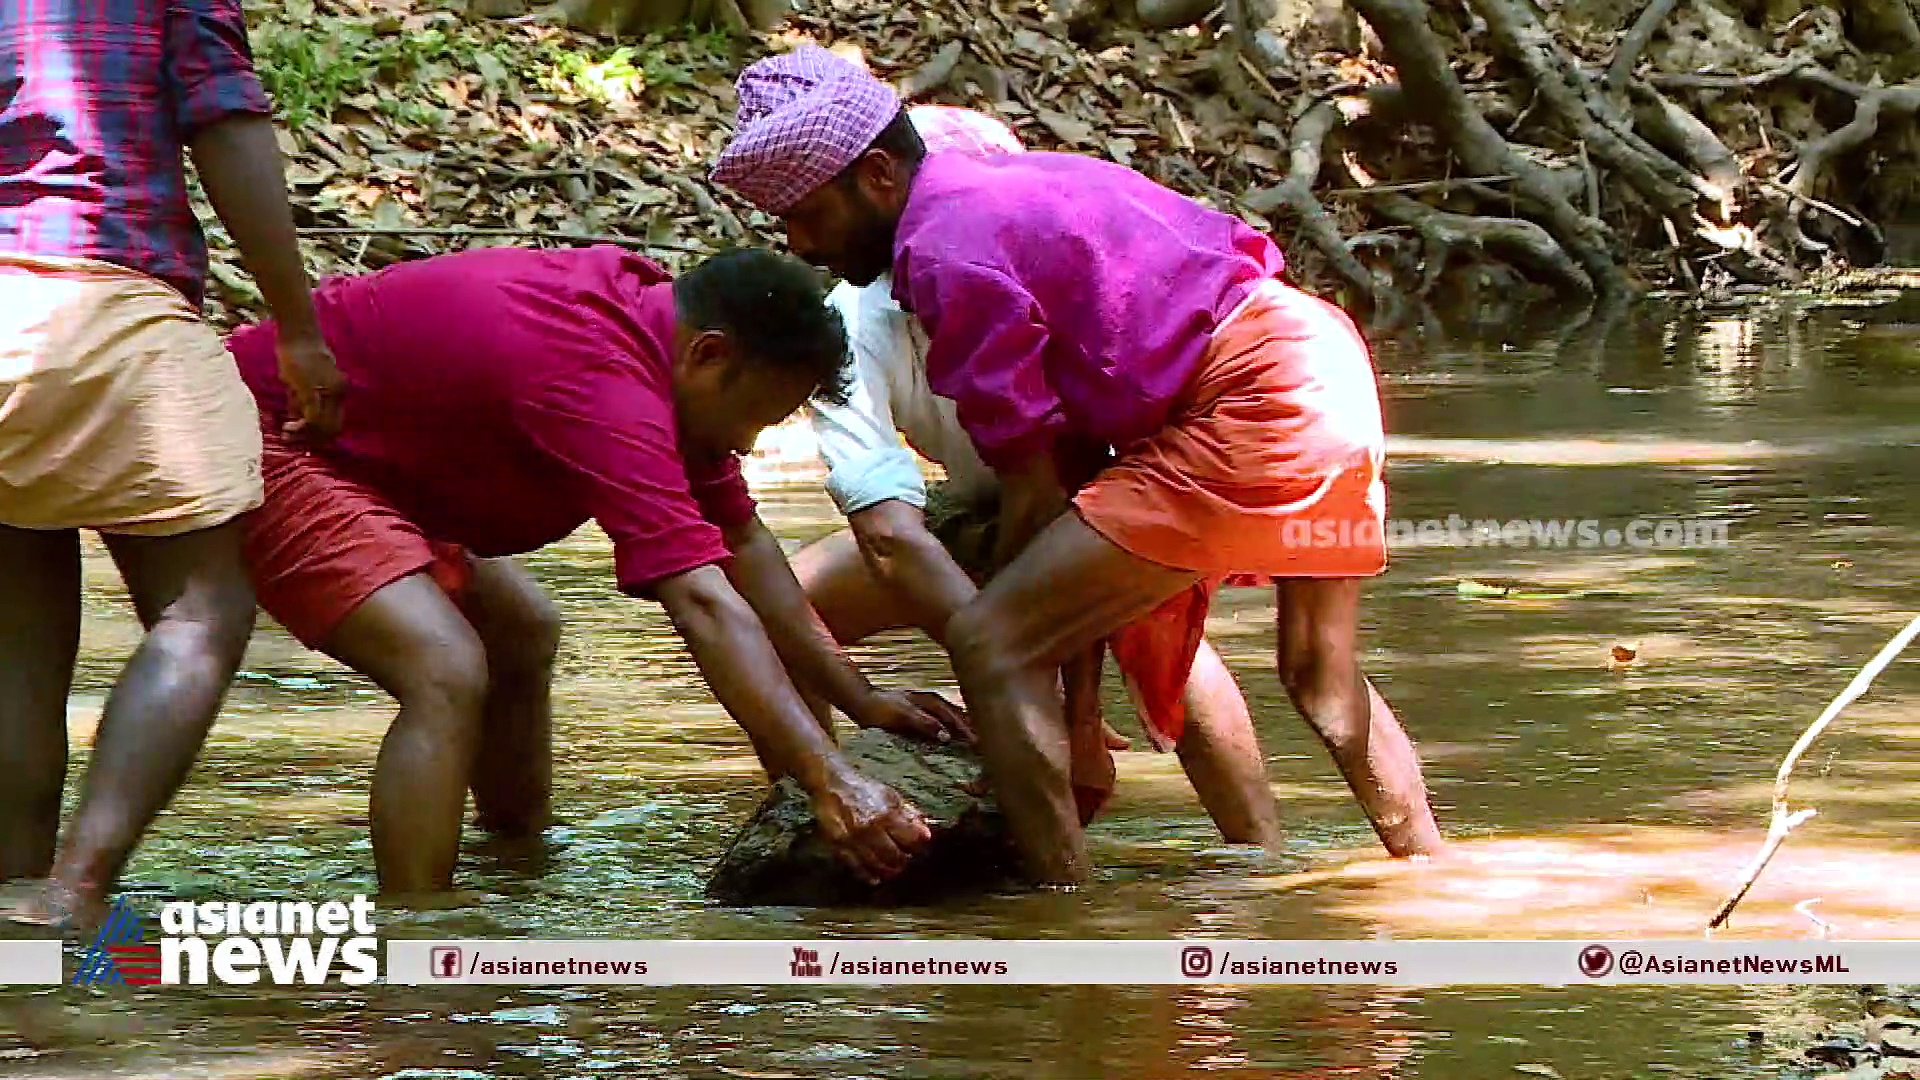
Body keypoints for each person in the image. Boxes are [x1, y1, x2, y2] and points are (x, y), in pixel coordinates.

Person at [712, 46, 1449, 884]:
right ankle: (1430, 876)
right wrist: (1081, 710)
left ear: (878, 175)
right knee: (1320, 674)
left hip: (1248, 403)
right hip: (1321, 359)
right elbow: (1064, 489)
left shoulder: (941, 250)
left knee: (988, 642)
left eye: (807, 216)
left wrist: (1048, 697)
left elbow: (1034, 496)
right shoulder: (1013, 188)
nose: (799, 245)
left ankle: (1066, 911)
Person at [223, 244, 962, 898]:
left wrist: (858, 698)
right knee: (443, 666)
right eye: (755, 417)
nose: (743, 444)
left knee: (521, 629)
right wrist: (829, 779)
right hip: (256, 431)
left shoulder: (649, 334)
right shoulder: (600, 377)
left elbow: (747, 549)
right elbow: (705, 604)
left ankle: (512, 868)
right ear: (708, 354)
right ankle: (419, 951)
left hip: (359, 461)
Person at [790, 101, 1285, 846]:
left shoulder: (1052, 268)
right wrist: (992, 658)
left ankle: (1257, 852)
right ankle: (824, 796)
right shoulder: (856, 321)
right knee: (787, 605)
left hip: (1093, 500)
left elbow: (1085, 476)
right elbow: (889, 535)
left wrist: (1064, 703)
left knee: (1154, 618)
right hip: (982, 510)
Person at [1, 0, 345, 929]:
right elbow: (228, 127)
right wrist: (299, 329)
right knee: (203, 610)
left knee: (20, 639)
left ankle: (9, 911)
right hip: (106, 293)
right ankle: (72, 894)